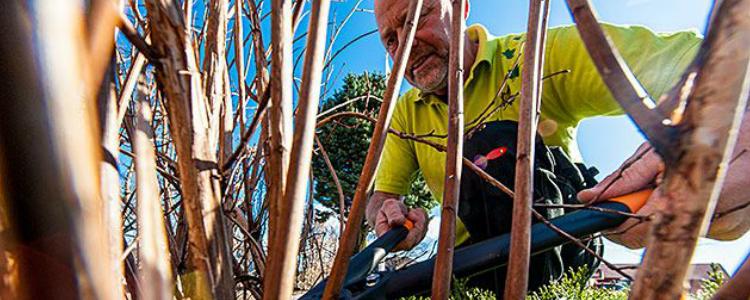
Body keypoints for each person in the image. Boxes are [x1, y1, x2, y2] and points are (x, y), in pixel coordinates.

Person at [366, 0, 750, 293]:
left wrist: (722, 116)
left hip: (560, 254)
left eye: (417, 17)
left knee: (491, 147)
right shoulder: (404, 114)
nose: (406, 46)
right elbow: (380, 197)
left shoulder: (534, 57)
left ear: (461, 6)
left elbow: (701, 63)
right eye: (391, 39)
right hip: (463, 273)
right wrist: (388, 213)